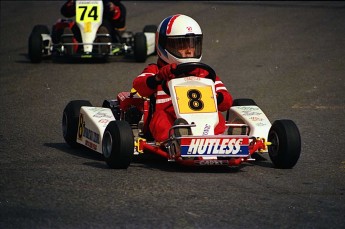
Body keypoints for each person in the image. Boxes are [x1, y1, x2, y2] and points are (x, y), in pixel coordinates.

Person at [132, 14, 233, 143]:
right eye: (181, 45)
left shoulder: (204, 73)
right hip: (169, 117)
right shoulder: (155, 70)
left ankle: (220, 139)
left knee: (218, 118)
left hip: (203, 117)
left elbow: (227, 102)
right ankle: (177, 139)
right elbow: (138, 86)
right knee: (161, 120)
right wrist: (158, 78)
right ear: (163, 45)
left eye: (192, 45)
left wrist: (216, 97)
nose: (188, 51)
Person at [52, 0, 126, 51]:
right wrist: (71, 5)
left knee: (105, 27)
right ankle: (72, 43)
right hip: (81, 26)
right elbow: (65, 12)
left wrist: (114, 10)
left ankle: (101, 42)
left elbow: (120, 23)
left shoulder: (108, 2)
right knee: (69, 28)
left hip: (101, 26)